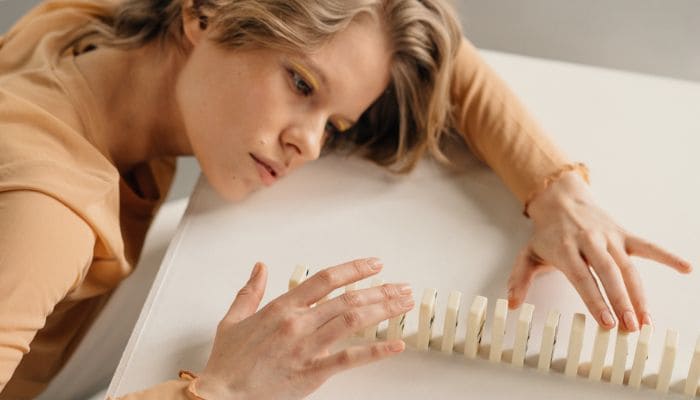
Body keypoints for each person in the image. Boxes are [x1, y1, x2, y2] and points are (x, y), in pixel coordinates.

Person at [0, 0, 691, 398]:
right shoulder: (48, 216)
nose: (307, 145)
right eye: (301, 84)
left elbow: (439, 59)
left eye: (335, 124)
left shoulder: (108, 31)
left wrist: (557, 192)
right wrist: (220, 391)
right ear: (206, 15)